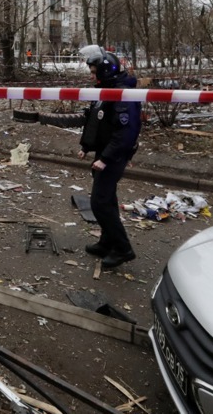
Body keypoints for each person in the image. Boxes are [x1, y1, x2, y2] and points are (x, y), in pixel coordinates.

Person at [77, 49, 141, 269]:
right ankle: (107, 242)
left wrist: (105, 159)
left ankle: (123, 249)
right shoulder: (107, 90)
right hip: (105, 153)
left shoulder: (123, 94)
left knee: (100, 203)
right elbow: (98, 121)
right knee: (108, 200)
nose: (92, 76)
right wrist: (87, 147)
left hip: (113, 156)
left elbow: (125, 132)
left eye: (95, 72)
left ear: (105, 71)